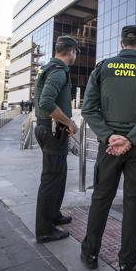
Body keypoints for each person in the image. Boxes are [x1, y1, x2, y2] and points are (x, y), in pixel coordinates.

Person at [80, 25, 136, 271]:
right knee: (133, 204)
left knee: (101, 199)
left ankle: (90, 254)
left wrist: (110, 136)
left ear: (121, 44)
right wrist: (131, 139)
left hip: (109, 147)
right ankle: (127, 264)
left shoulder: (103, 68)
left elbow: (89, 108)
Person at [33, 36, 80, 243]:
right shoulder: (58, 71)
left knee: (58, 176)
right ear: (71, 52)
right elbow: (46, 102)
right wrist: (69, 122)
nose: (75, 56)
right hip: (53, 131)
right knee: (51, 180)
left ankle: (54, 215)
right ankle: (45, 230)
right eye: (75, 52)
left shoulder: (47, 68)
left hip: (50, 130)